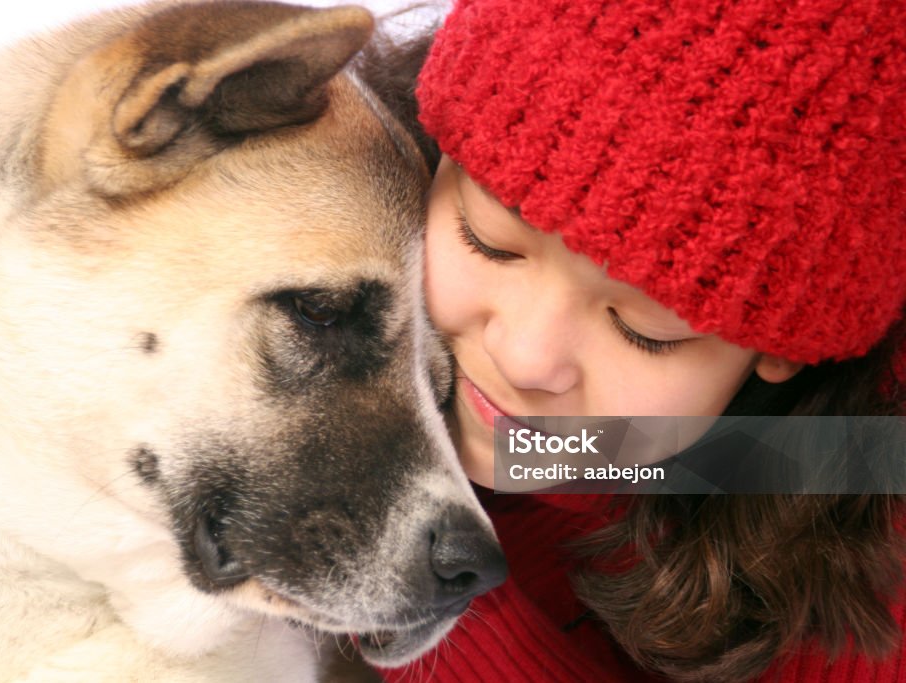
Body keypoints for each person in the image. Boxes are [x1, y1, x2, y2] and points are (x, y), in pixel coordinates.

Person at [360, 0, 906, 680]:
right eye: (488, 241)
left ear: (784, 349)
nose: (525, 357)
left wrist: (411, 577)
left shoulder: (864, 563)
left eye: (641, 331)